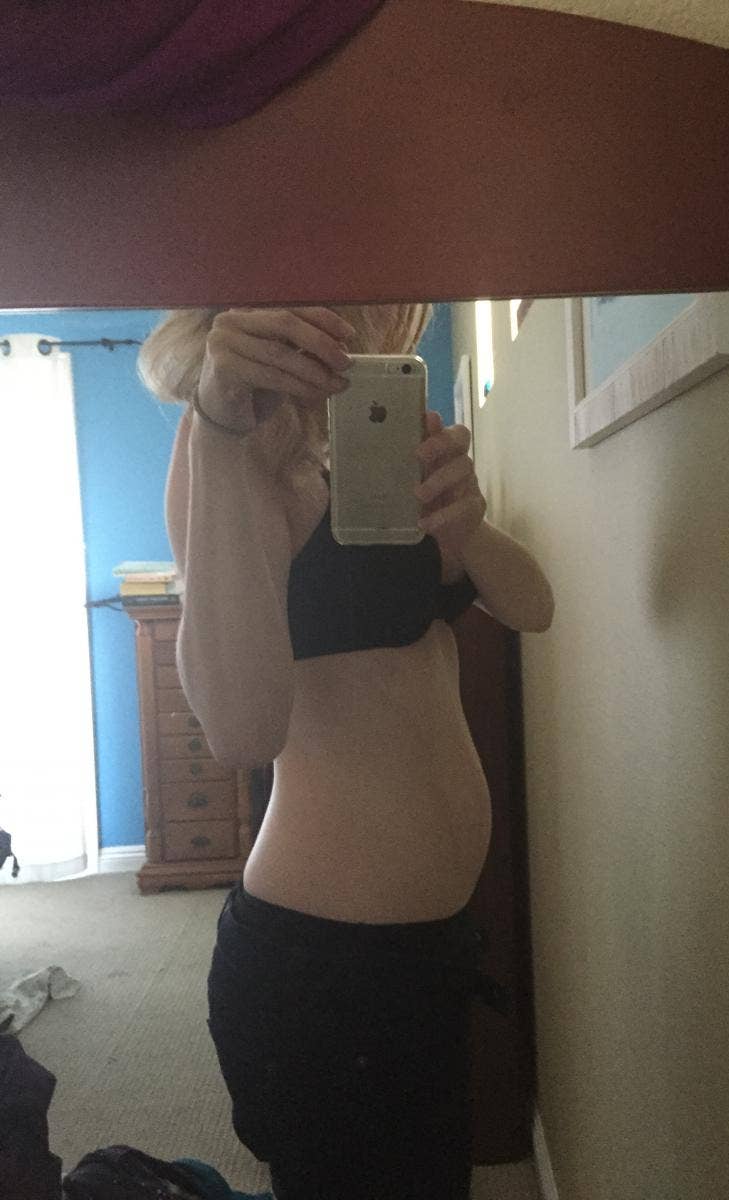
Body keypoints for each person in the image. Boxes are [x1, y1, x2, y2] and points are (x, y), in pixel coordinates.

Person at [138, 304, 554, 1200]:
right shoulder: (229, 447)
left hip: (429, 949)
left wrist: (469, 525)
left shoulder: (375, 433)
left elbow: (534, 606)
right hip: (324, 966)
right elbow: (242, 733)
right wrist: (218, 430)